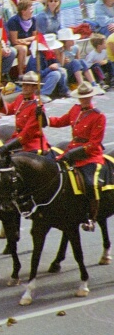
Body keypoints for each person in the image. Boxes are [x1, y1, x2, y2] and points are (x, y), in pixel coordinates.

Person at [48, 82, 106, 231]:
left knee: (89, 183)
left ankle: (91, 218)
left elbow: (94, 143)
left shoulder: (99, 116)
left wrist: (71, 154)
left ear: (92, 97)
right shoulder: (75, 110)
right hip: (72, 149)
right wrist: (44, 118)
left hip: (89, 155)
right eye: (82, 97)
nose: (84, 100)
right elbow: (61, 121)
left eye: (87, 97)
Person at [0, 72, 49, 154]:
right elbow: (8, 110)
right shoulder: (20, 98)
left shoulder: (38, 106)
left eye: (28, 85)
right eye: (23, 84)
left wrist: (7, 146)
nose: (24, 87)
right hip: (17, 137)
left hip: (31, 143)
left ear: (35, 87)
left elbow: (27, 133)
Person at [28, 34, 70, 100]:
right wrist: (49, 68)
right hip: (35, 80)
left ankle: (63, 92)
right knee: (55, 74)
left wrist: (57, 64)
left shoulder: (48, 54)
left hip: (44, 76)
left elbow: (58, 64)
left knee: (62, 70)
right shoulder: (36, 57)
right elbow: (37, 75)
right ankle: (42, 94)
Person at [7, 0, 39, 77]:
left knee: (39, 46)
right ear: (23, 11)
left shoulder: (33, 20)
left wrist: (25, 40)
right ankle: (21, 74)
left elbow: (35, 36)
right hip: (15, 45)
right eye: (30, 9)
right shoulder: (13, 21)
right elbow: (14, 41)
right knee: (23, 49)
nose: (32, 11)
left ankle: (35, 71)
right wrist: (24, 42)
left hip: (27, 42)